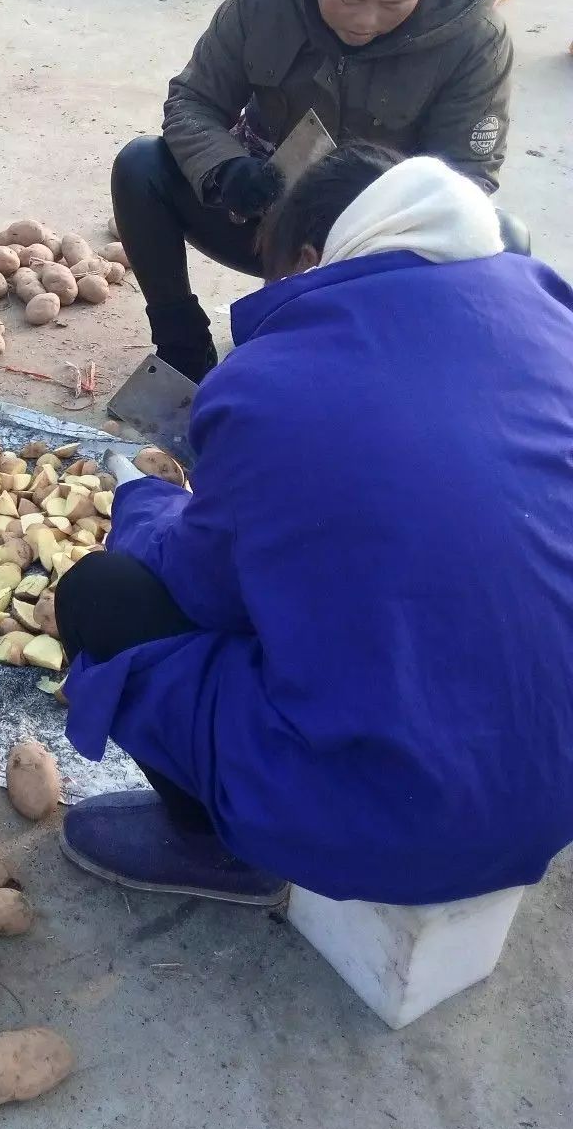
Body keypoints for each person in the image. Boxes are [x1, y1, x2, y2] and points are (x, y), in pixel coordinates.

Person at [57, 146, 573, 906]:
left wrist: (141, 499)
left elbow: (200, 589)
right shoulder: (555, 313)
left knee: (104, 592)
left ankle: (217, 848)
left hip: (393, 827)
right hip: (552, 790)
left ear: (304, 258)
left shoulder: (268, 384)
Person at [111, 0, 513, 382]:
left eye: (393, 6)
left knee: (507, 241)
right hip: (270, 218)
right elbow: (192, 102)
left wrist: (376, 227)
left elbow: (469, 176)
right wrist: (227, 169)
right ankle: (182, 346)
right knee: (141, 167)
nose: (366, 20)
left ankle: (402, 370)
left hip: (386, 250)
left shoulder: (475, 40)